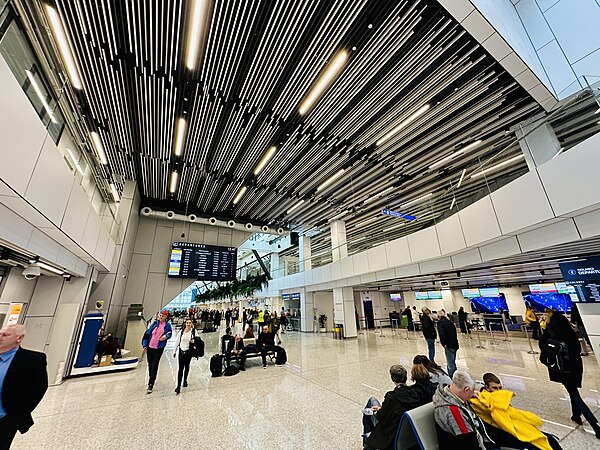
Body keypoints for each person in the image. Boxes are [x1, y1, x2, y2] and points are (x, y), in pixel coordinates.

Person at [540, 309, 600, 438]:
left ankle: (595, 424)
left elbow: (543, 346)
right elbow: (577, 348)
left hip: (562, 367)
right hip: (576, 365)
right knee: (572, 389)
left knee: (574, 393)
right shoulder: (569, 331)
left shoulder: (551, 330)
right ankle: (576, 415)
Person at [472, 372, 563, 449]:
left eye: (500, 388)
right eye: (494, 388)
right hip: (503, 433)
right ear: (487, 387)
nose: (498, 391)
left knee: (549, 439)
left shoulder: (498, 399)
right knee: (539, 442)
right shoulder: (483, 400)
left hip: (513, 428)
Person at [361, 365, 433, 450]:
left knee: (371, 402)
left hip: (391, 434)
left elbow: (380, 417)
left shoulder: (391, 396)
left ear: (393, 379)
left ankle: (367, 446)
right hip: (404, 433)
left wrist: (379, 411)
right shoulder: (414, 394)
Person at [0, 325, 48, 449]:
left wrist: (17, 416)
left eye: (5, 335)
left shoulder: (33, 360)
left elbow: (38, 389)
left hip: (5, 419)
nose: (0, 337)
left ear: (19, 338)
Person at [433, 371, 491, 449]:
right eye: (472, 391)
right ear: (466, 390)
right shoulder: (453, 412)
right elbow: (469, 443)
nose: (473, 393)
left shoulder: (448, 393)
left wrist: (470, 394)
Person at [142, 311, 172, 393]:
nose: (161, 317)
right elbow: (147, 334)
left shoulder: (167, 325)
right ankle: (150, 377)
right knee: (150, 364)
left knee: (155, 364)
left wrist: (165, 336)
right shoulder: (155, 323)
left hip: (159, 348)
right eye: (160, 315)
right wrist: (144, 345)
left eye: (163, 316)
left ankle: (151, 383)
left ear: (166, 317)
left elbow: (170, 333)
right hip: (150, 346)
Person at [173, 318, 196, 394]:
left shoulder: (193, 332)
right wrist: (174, 350)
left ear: (191, 324)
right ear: (185, 324)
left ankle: (185, 380)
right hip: (181, 351)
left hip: (188, 352)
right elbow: (177, 341)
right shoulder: (181, 332)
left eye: (190, 323)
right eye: (187, 323)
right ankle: (178, 386)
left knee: (187, 366)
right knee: (180, 368)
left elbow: (198, 341)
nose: (188, 324)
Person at [437, 309, 459, 378]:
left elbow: (442, 333)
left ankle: (452, 378)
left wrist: (444, 343)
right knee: (452, 362)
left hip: (448, 344)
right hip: (454, 344)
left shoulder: (440, 322)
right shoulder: (449, 322)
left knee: (450, 363)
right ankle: (455, 375)